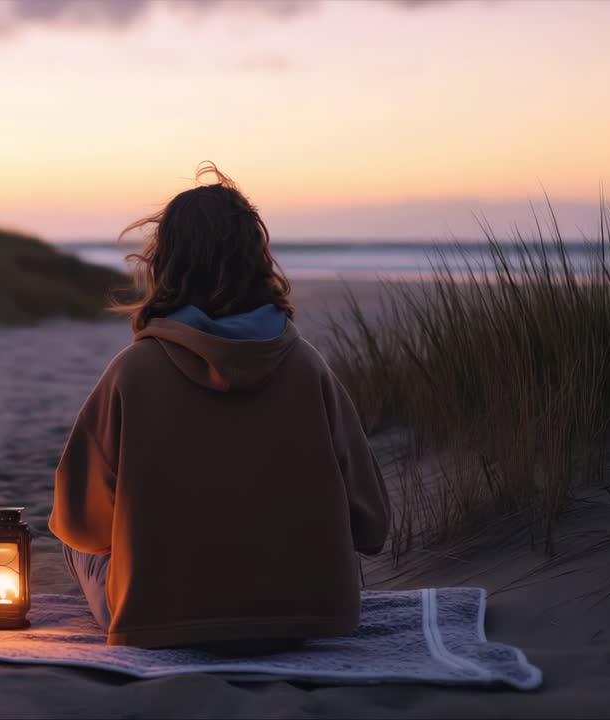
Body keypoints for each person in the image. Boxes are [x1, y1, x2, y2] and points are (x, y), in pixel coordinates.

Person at [49, 163, 390, 652]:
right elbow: (371, 526)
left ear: (164, 264)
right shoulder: (309, 368)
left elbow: (80, 525)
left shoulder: (132, 372)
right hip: (304, 620)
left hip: (161, 622)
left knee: (71, 540)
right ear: (258, 259)